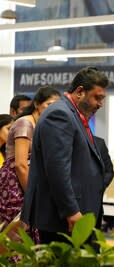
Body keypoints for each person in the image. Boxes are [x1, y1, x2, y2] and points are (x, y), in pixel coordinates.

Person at [21, 67, 109, 244]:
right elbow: (57, 169)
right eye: (96, 97)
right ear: (80, 92)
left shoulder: (74, 116)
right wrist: (71, 211)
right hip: (63, 219)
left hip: (76, 214)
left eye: (102, 98)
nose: (100, 104)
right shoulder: (60, 115)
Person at [0, 86, 60, 243]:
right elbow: (20, 164)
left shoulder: (41, 124)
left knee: (29, 231)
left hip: (27, 179)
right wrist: (33, 196)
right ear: (37, 104)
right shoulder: (25, 124)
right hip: (15, 181)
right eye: (49, 104)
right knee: (15, 232)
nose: (52, 109)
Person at [93, 135, 114, 230]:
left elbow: (109, 171)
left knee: (93, 241)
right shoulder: (68, 141)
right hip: (73, 204)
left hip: (95, 203)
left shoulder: (99, 143)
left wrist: (99, 187)